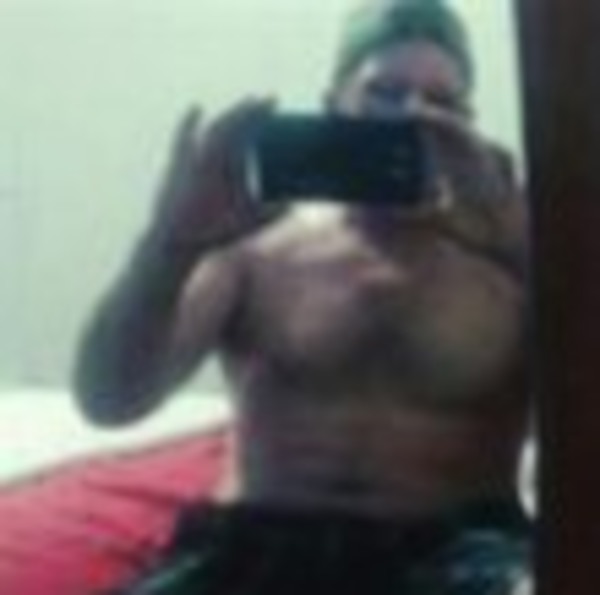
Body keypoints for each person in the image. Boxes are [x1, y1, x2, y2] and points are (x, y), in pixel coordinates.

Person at [74, 1, 531, 593]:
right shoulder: (255, 245)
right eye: (385, 92)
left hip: (457, 558)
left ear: (468, 123)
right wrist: (169, 243)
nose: (413, 114)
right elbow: (109, 400)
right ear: (333, 104)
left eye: (441, 101)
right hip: (253, 548)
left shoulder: (511, 260)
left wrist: (519, 247)